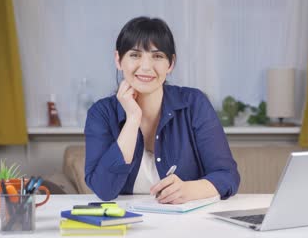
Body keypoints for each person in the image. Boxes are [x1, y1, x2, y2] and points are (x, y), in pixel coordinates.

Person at [84, 16, 240, 204]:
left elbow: (228, 176)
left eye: (157, 56)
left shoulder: (194, 104)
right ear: (118, 60)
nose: (146, 67)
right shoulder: (101, 113)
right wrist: (133, 119)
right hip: (127, 226)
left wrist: (191, 189)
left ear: (171, 63)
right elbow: (104, 189)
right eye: (135, 55)